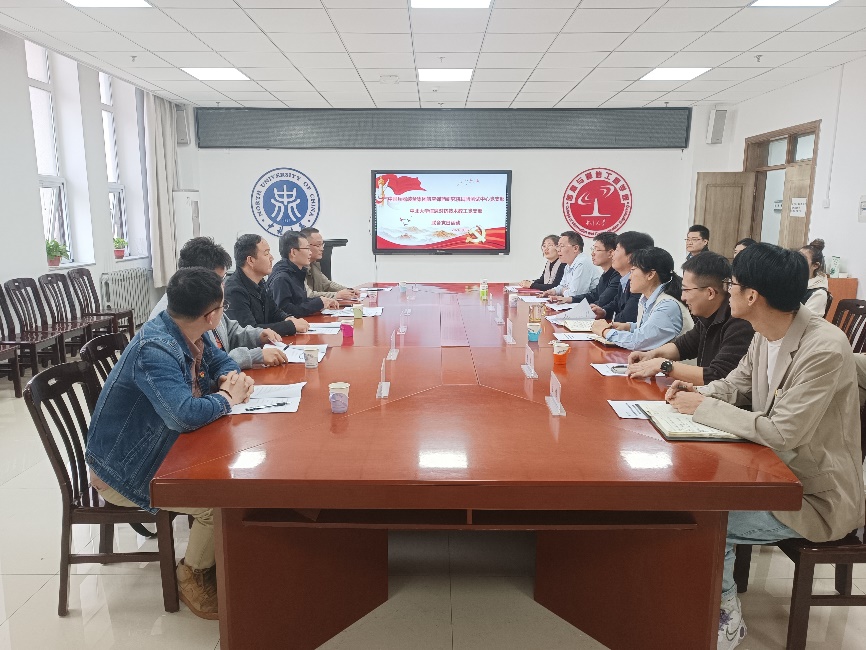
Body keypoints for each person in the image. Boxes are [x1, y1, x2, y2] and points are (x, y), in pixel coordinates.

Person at [665, 243, 864, 650]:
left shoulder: (823, 347)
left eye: (732, 284)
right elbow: (736, 385)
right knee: (691, 499)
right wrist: (698, 392)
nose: (728, 290)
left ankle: (725, 617)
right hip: (771, 472)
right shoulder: (767, 332)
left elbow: (783, 433)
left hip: (810, 494)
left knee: (707, 518)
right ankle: (692, 599)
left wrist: (704, 408)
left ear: (752, 295)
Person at [85, 267, 257, 620]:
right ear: (211, 315)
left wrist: (229, 376)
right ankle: (191, 575)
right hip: (126, 470)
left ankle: (221, 559)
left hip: (163, 449)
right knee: (216, 503)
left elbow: (220, 359)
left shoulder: (187, 329)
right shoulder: (155, 349)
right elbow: (182, 416)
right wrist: (228, 397)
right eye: (222, 308)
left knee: (229, 474)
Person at [149, 237, 288, 369]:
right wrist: (252, 356)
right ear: (198, 279)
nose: (223, 285)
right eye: (219, 279)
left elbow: (230, 331)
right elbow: (206, 368)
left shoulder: (206, 300)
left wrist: (258, 336)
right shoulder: (177, 314)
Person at [626, 252, 754, 384]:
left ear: (710, 293)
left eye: (686, 290)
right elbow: (683, 346)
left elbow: (718, 375)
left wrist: (663, 365)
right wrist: (651, 355)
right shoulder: (708, 316)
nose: (683, 297)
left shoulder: (739, 323)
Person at [591, 247, 693, 351]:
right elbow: (650, 329)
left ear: (650, 274)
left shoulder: (667, 305)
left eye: (633, 270)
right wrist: (629, 327)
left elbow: (639, 341)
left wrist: (605, 331)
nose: (630, 277)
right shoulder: (646, 298)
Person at [224, 234, 309, 335]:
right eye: (266, 253)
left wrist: (288, 318)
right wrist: (290, 326)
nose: (271, 257)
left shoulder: (260, 282)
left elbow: (274, 312)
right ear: (250, 260)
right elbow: (249, 331)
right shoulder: (234, 291)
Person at [267, 232, 339, 317]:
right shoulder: (281, 278)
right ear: (293, 252)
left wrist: (322, 300)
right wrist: (318, 303)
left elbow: (300, 301)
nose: (310, 253)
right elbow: (284, 311)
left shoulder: (297, 271)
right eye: (307, 248)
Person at [592, 231, 654, 323]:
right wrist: (604, 312)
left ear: (631, 257)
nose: (612, 254)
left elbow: (627, 318)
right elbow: (616, 302)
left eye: (616, 250)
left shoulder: (640, 283)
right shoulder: (625, 278)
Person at [551, 231, 620, 305]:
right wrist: (569, 299)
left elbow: (602, 301)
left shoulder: (617, 276)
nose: (592, 253)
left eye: (597, 249)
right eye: (593, 249)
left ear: (610, 253)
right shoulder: (605, 274)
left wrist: (564, 292)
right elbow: (594, 295)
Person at [298, 227, 358, 300]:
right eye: (318, 245)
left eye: (322, 245)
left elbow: (328, 284)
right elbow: (308, 295)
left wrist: (350, 291)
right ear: (306, 246)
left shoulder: (313, 264)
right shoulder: (297, 267)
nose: (322, 249)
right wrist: (336, 295)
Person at [541, 231, 601, 299]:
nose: (558, 250)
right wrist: (553, 291)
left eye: (562, 246)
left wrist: (563, 291)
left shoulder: (582, 263)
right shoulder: (568, 265)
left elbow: (574, 295)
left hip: (589, 304)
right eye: (558, 246)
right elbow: (562, 286)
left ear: (575, 248)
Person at [799, 238, 832, 317]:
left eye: (803, 259)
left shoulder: (819, 294)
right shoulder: (793, 281)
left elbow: (804, 321)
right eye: (797, 257)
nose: (797, 261)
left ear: (815, 265)